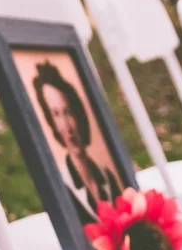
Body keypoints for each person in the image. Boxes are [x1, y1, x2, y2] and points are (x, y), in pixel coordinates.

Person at [33, 61, 123, 221]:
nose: (67, 126)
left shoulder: (108, 179)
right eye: (56, 114)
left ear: (79, 113)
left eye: (68, 112)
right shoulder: (61, 187)